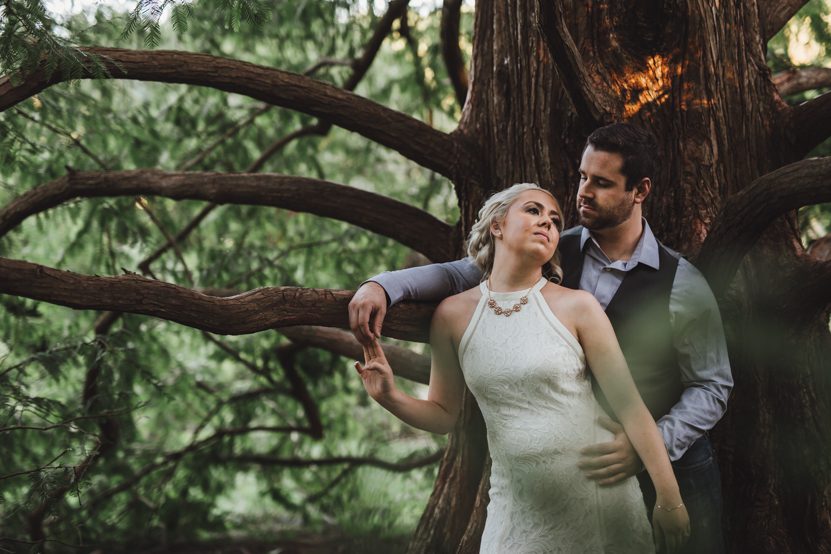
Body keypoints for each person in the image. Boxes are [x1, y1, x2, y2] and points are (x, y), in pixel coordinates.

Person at [349, 123, 732, 553]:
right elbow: (458, 276)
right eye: (583, 177)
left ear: (639, 190)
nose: (583, 192)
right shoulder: (548, 249)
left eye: (602, 183)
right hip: (564, 482)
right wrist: (382, 286)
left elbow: (712, 385)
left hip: (677, 464)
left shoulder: (682, 282)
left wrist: (652, 446)